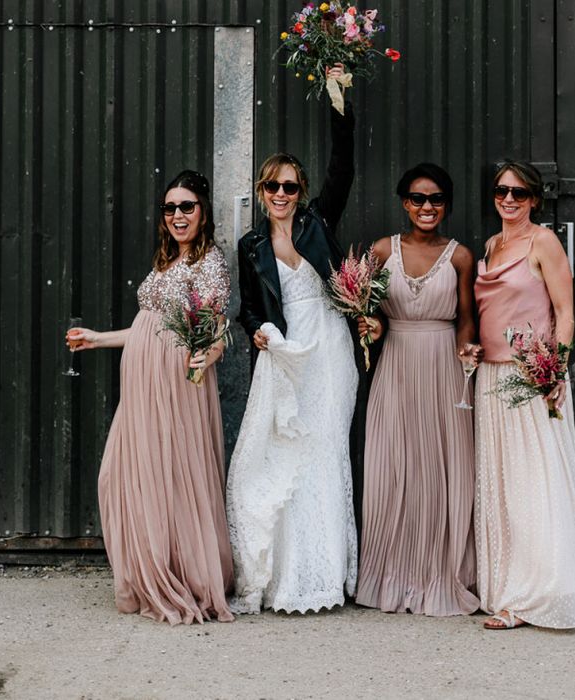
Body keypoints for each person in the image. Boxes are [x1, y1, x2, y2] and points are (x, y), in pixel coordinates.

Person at [67, 170, 234, 625]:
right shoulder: (166, 260)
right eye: (170, 208)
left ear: (203, 211)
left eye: (187, 207)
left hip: (175, 383)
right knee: (120, 475)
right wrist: (97, 339)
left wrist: (211, 355)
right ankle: (149, 571)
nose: (178, 216)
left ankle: (186, 574)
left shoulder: (209, 263)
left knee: (173, 475)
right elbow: (147, 327)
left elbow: (217, 327)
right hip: (141, 384)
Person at [227, 64, 358, 614]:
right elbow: (249, 311)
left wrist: (339, 94)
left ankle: (324, 574)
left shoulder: (318, 224)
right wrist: (257, 333)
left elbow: (344, 167)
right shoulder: (250, 244)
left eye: (290, 186)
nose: (281, 193)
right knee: (280, 454)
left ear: (301, 192)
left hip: (328, 349)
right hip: (284, 355)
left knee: (325, 452)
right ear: (260, 191)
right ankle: (282, 573)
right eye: (272, 186)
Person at [354, 163, 481, 616]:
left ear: (447, 205)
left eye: (436, 200)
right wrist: (371, 323)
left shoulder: (461, 256)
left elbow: (466, 316)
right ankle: (390, 573)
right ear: (404, 203)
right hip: (397, 363)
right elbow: (363, 306)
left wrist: (468, 350)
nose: (427, 207)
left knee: (440, 469)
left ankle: (440, 572)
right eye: (418, 199)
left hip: (444, 365)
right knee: (392, 466)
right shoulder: (383, 250)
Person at [474, 160, 575, 630]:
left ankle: (542, 592)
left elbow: (565, 313)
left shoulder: (544, 242)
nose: (509, 200)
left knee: (535, 485)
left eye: (520, 194)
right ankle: (507, 590)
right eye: (502, 191)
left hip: (530, 379)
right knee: (500, 485)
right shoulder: (492, 245)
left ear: (535, 200)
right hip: (491, 378)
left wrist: (554, 371)